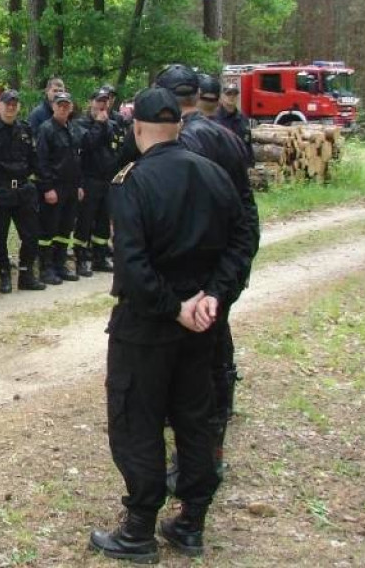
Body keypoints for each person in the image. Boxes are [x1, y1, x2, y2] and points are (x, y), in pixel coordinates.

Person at [89, 87, 252, 563]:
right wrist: (215, 296)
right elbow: (243, 242)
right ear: (179, 126)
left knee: (136, 419)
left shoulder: (130, 182)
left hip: (147, 327)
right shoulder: (215, 173)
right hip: (201, 325)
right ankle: (191, 521)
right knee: (194, 418)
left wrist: (175, 306)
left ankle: (139, 529)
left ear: (137, 129)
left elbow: (133, 267)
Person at [154, 64, 260, 477]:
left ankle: (198, 458)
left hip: (195, 272)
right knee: (217, 347)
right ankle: (211, 444)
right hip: (225, 265)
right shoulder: (228, 138)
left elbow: (183, 219)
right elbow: (246, 214)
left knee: (192, 368)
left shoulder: (184, 143)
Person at [0, 90, 46, 293]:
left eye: (14, 104)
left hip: (23, 189)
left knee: (31, 234)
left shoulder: (25, 129)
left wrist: (40, 184)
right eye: (7, 104)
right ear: (0, 106)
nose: (11, 107)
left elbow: (34, 159)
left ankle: (26, 274)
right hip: (1, 190)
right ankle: (4, 275)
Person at [34, 91, 82, 285]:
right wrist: (47, 188)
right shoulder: (46, 129)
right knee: (48, 230)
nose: (63, 108)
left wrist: (79, 185)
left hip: (71, 187)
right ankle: (46, 268)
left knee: (65, 228)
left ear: (71, 107)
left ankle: (60, 264)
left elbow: (78, 159)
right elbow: (41, 161)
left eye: (66, 105)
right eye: (59, 104)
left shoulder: (73, 129)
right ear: (53, 106)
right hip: (54, 187)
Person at [74, 89, 118, 277]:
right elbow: (87, 144)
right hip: (89, 180)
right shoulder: (80, 124)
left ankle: (100, 258)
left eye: (105, 102)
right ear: (91, 102)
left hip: (107, 180)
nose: (102, 105)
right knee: (84, 222)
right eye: (99, 101)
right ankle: (81, 260)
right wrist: (99, 124)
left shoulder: (112, 124)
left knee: (102, 223)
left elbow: (115, 148)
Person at [215, 82, 254, 165]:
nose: (232, 97)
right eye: (228, 94)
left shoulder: (243, 118)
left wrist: (251, 163)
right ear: (221, 96)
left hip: (240, 166)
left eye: (235, 94)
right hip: (222, 165)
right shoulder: (215, 118)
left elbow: (248, 144)